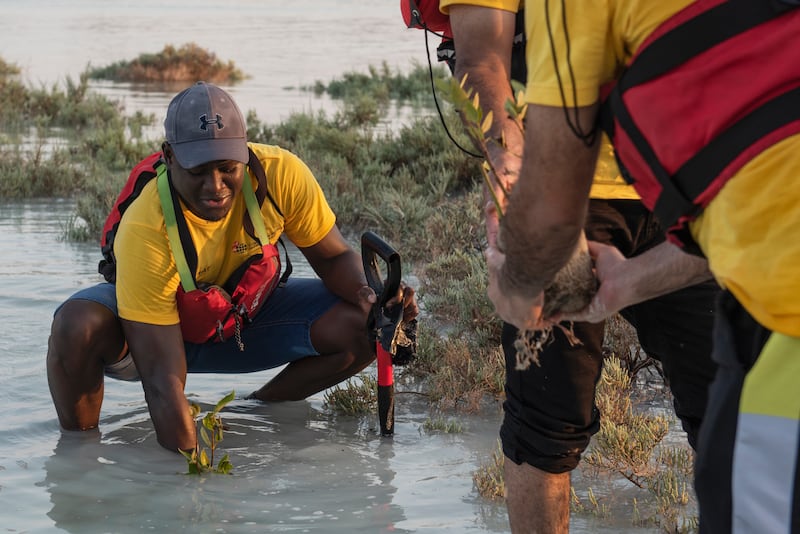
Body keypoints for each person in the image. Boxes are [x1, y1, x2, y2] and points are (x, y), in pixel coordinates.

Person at [404, 1, 720, 532]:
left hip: (689, 184)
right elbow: (482, 59)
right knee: (548, 418)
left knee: (729, 402)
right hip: (564, 187)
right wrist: (507, 150)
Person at [485, 1, 800, 532]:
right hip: (714, 236)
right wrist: (632, 279)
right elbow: (765, 193)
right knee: (547, 428)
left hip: (781, 334)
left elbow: (548, 215)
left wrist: (516, 283)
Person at [47, 81, 417, 453]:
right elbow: (162, 382)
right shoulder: (147, 227)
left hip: (243, 323)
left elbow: (334, 257)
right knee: (76, 326)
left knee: (364, 325)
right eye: (198, 171)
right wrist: (194, 482)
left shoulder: (282, 175)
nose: (216, 186)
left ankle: (257, 410)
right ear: (170, 156)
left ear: (244, 152)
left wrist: (372, 296)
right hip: (155, 342)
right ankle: (79, 456)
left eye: (227, 169)